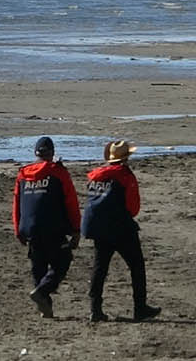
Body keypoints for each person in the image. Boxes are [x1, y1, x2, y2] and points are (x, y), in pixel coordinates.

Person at [81, 139, 161, 323]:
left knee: (100, 267)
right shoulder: (125, 175)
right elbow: (133, 207)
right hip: (119, 227)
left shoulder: (97, 176)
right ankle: (140, 308)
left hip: (98, 226)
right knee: (137, 266)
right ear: (126, 158)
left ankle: (95, 309)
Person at [12, 136, 81, 318]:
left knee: (38, 265)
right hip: (53, 227)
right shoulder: (58, 173)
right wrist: (76, 229)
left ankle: (45, 305)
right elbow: (71, 202)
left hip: (30, 228)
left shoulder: (23, 174)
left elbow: (17, 204)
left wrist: (18, 229)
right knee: (63, 261)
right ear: (51, 153)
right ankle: (42, 293)